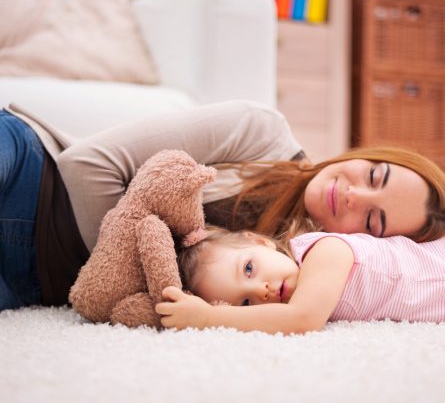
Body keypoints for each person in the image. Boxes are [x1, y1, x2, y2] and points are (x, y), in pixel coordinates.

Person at [1, 99, 445, 310]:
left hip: (35, 287)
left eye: (371, 220)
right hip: (30, 177)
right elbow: (86, 166)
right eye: (373, 176)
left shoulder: (282, 281)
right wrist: (134, 262)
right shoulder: (262, 132)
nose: (353, 195)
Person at [156, 226, 445, 335]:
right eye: (245, 303)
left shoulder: (324, 251)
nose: (261, 291)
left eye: (248, 269)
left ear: (260, 241)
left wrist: (208, 317)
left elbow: (302, 319)